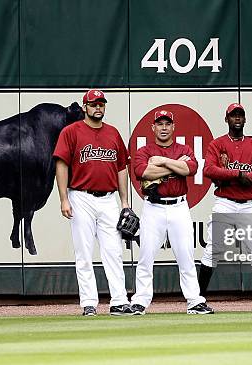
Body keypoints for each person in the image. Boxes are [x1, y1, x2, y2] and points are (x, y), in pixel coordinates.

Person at [53, 89, 133, 316]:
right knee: (84, 253)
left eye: (101, 103)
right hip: (81, 197)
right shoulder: (71, 131)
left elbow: (121, 168)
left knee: (114, 251)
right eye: (93, 104)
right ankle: (89, 302)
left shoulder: (113, 133)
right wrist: (63, 199)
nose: (98, 107)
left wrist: (124, 201)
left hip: (108, 199)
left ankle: (119, 301)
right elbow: (62, 165)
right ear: (84, 107)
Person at [198, 103, 252, 312]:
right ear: (226, 119)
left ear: (245, 119)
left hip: (249, 205)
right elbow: (209, 170)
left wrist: (230, 174)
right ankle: (197, 300)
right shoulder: (217, 145)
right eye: (233, 115)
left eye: (240, 115)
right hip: (224, 202)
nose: (237, 118)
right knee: (213, 249)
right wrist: (238, 175)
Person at [129, 110, 213, 315]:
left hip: (178, 207)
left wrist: (162, 161)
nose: (164, 127)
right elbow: (143, 172)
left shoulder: (183, 148)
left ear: (173, 127)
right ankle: (140, 300)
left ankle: (194, 300)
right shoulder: (145, 151)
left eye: (167, 123)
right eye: (160, 124)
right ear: (153, 127)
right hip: (153, 207)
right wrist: (176, 165)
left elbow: (190, 169)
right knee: (146, 256)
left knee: (186, 256)